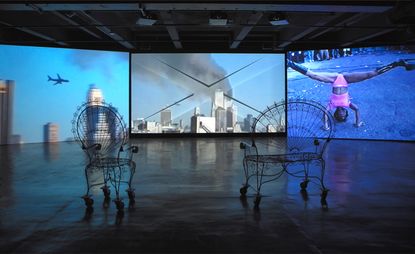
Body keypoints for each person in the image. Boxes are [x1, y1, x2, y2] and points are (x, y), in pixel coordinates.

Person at [287, 58, 411, 129]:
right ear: (346, 113)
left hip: (334, 79)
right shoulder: (348, 104)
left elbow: (325, 113)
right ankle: (397, 64)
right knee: (370, 74)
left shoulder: (332, 105)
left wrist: (325, 125)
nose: (341, 113)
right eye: (343, 115)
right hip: (346, 80)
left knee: (314, 75)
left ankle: (290, 63)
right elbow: (357, 111)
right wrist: (358, 123)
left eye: (339, 115)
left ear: (336, 113)